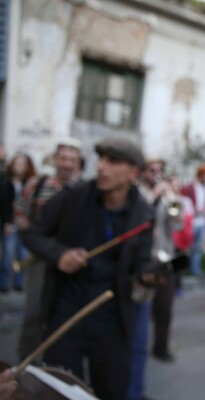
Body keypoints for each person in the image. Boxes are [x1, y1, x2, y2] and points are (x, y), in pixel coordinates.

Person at [21, 137, 153, 400]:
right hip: (66, 313)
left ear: (133, 172)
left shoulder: (143, 213)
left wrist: (149, 276)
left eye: (113, 161)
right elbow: (32, 233)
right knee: (60, 390)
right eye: (101, 159)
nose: (101, 167)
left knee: (111, 390)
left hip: (111, 320)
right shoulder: (73, 197)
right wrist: (60, 255)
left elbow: (141, 263)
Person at [14, 138, 83, 361]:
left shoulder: (83, 190)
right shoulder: (38, 184)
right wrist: (32, 236)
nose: (67, 164)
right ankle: (26, 366)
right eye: (63, 158)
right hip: (40, 259)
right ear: (55, 159)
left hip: (70, 262)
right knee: (35, 314)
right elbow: (20, 211)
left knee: (63, 315)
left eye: (72, 160)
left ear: (78, 163)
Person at [127, 157, 182, 400]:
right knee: (138, 314)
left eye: (160, 170)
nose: (157, 174)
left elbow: (177, 225)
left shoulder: (167, 194)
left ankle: (161, 348)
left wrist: (174, 203)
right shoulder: (137, 194)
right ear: (143, 172)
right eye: (152, 170)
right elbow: (136, 222)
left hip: (165, 258)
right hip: (142, 260)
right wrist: (154, 197)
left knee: (165, 308)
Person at [0, 153, 36, 293]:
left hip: (26, 226)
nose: (18, 167)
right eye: (17, 163)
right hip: (11, 224)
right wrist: (7, 222)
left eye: (22, 164)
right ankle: (4, 283)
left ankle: (18, 282)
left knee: (23, 255)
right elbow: (4, 204)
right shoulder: (6, 181)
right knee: (8, 255)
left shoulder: (31, 183)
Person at [181, 164, 205, 277]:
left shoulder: (204, 189)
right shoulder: (189, 188)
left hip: (202, 222)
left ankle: (195, 270)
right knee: (188, 246)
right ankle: (185, 269)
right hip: (192, 222)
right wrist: (195, 210)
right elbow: (184, 203)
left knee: (197, 248)